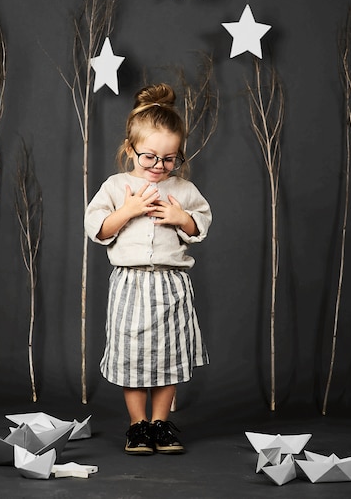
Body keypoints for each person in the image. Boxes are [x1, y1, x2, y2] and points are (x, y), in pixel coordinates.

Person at [85, 83, 211, 455]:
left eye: (169, 159)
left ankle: (161, 424)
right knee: (133, 355)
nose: (159, 166)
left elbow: (200, 226)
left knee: (169, 355)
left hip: (171, 284)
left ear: (178, 156)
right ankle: (138, 425)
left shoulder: (183, 189)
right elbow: (98, 228)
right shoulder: (116, 186)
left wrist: (181, 217)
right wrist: (128, 211)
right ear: (131, 150)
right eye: (149, 157)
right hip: (131, 283)